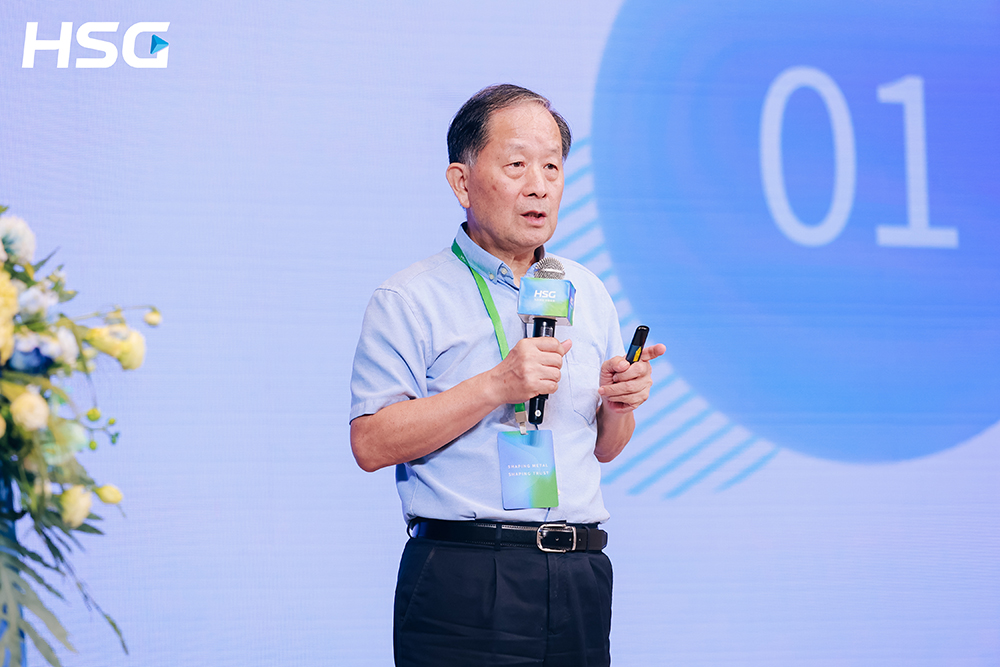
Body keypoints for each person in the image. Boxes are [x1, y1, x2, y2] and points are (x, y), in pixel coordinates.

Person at [349, 84, 665, 667]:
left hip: (579, 575)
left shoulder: (587, 290)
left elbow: (604, 449)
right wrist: (497, 385)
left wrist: (620, 406)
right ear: (462, 182)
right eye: (517, 165)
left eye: (552, 167)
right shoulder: (409, 298)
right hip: (467, 578)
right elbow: (370, 444)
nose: (539, 185)